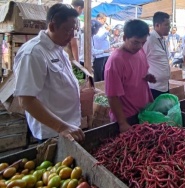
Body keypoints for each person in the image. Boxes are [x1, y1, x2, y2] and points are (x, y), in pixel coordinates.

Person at [13, 3, 85, 142]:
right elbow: (26, 100)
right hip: (53, 132)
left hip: (70, 126)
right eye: (67, 30)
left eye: (74, 30)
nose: (71, 36)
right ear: (52, 27)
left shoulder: (59, 49)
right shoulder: (33, 53)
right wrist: (61, 127)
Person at [104, 19, 155, 133]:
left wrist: (147, 76)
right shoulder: (115, 61)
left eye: (143, 42)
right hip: (126, 117)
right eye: (135, 42)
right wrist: (122, 123)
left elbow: (139, 72)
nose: (139, 46)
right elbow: (112, 96)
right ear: (124, 38)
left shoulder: (140, 51)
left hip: (142, 112)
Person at [143, 12, 171, 99]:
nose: (169, 27)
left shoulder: (163, 39)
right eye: (166, 25)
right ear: (157, 25)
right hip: (153, 88)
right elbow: (140, 61)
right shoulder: (149, 40)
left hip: (165, 86)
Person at [93, 13, 111, 82]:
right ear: (99, 19)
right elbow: (98, 39)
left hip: (105, 54)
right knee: (99, 75)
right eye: (104, 21)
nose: (105, 23)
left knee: (104, 74)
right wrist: (107, 31)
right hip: (99, 55)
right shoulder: (96, 28)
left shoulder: (103, 29)